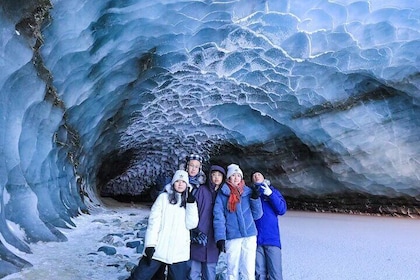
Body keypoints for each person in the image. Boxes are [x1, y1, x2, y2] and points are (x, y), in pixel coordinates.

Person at [127, 170, 199, 280]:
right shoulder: (163, 198)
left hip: (178, 252)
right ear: (173, 183)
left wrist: (191, 205)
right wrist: (150, 245)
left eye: (183, 182)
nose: (180, 184)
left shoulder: (189, 202)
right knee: (139, 277)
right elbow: (153, 223)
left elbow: (191, 225)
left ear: (187, 185)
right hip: (159, 249)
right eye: (177, 181)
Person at [152, 153, 205, 279]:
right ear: (186, 167)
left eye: (196, 167)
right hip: (169, 230)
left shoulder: (201, 187)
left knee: (182, 265)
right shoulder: (174, 183)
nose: (193, 169)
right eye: (191, 165)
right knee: (160, 264)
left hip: (188, 229)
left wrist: (199, 230)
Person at [213, 163, 263, 280]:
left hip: (249, 235)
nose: (236, 178)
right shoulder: (222, 195)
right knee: (232, 269)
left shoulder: (248, 192)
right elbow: (219, 218)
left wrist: (255, 199)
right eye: (233, 175)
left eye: (238, 175)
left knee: (248, 269)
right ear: (229, 178)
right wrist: (220, 238)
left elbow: (257, 215)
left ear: (241, 177)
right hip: (232, 236)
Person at [189, 165, 226, 280]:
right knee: (192, 273)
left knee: (210, 273)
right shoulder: (201, 190)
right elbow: (192, 211)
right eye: (213, 175)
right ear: (209, 176)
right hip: (199, 236)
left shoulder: (224, 194)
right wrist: (194, 231)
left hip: (214, 240)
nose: (216, 178)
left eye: (219, 175)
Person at [250, 171, 287, 280]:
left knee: (275, 273)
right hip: (256, 239)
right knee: (259, 273)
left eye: (259, 174)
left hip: (272, 238)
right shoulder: (250, 193)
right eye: (254, 175)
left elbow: (281, 209)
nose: (257, 176)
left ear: (264, 177)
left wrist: (270, 194)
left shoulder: (273, 192)